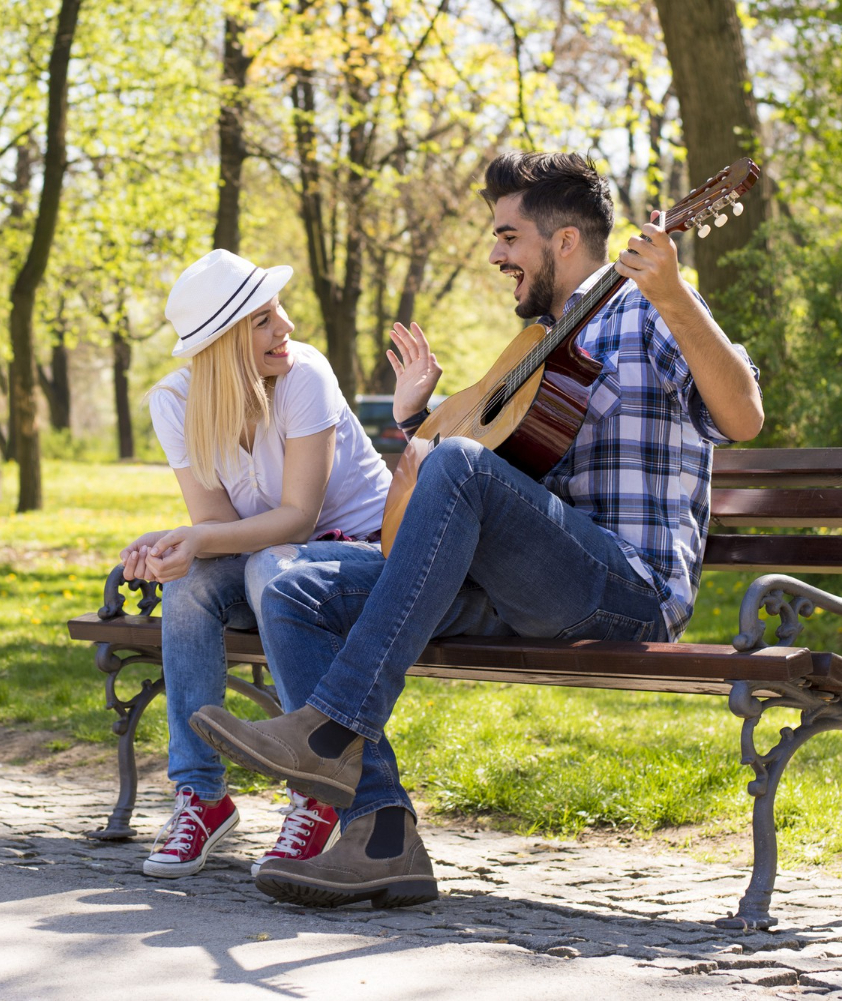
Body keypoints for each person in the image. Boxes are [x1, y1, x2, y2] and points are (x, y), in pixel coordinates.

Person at [190, 151, 764, 908]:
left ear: (563, 242)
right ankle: (381, 832)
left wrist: (677, 294)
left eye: (508, 236)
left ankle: (328, 733)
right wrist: (415, 424)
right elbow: (491, 460)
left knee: (457, 466)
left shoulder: (645, 307)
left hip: (627, 585)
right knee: (297, 588)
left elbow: (745, 416)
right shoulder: (539, 342)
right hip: (525, 584)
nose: (495, 255)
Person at [122, 248, 392, 881]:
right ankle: (202, 796)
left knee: (272, 566)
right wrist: (175, 544)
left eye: (280, 312)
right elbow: (214, 526)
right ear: (222, 341)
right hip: (268, 561)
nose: (287, 327)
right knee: (190, 580)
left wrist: (196, 535)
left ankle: (315, 787)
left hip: (360, 556)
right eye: (265, 319)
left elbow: (299, 516)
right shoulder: (175, 402)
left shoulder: (306, 376)